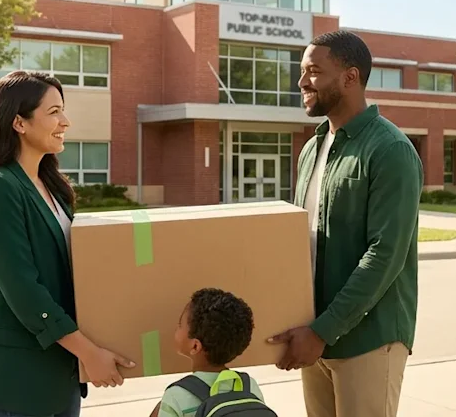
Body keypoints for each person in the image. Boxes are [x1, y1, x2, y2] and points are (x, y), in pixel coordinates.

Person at [0, 70, 135, 417]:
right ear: (19, 122)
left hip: (58, 373)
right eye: (53, 112)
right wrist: (89, 352)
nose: (65, 121)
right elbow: (24, 290)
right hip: (18, 380)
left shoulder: (51, 187)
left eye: (62, 110)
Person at [267, 30, 424, 417]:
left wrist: (323, 330)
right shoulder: (313, 147)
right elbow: (300, 242)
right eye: (302, 72)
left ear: (350, 77)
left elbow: (385, 254)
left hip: (368, 339)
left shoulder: (390, 150)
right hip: (315, 337)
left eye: (313, 71)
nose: (301, 82)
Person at [149, 288, 271, 417]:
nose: (176, 328)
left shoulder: (176, 396)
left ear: (195, 346)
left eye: (180, 324)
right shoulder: (250, 386)